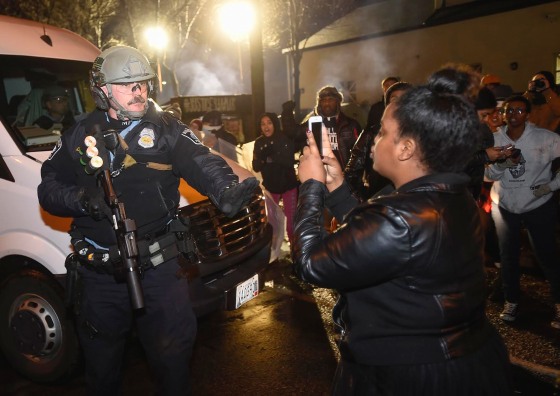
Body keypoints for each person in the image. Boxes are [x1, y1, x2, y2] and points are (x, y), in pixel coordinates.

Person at [37, 45, 259, 395]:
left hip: (158, 270)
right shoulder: (81, 133)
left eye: (142, 82)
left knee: (173, 362)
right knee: (102, 367)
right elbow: (48, 188)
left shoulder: (167, 128)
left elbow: (201, 160)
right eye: (128, 85)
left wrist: (225, 189)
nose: (139, 91)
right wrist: (83, 200)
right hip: (100, 275)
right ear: (104, 89)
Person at [292, 74, 512, 395]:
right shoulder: (449, 194)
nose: (373, 140)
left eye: (382, 132)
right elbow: (377, 238)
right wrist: (337, 189)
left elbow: (310, 263)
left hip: (408, 374)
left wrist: (310, 186)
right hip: (462, 361)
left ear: (406, 148)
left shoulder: (402, 216)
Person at [485, 95, 560, 329]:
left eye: (519, 110)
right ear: (504, 113)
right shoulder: (494, 139)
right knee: (507, 257)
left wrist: (551, 185)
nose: (514, 114)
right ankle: (511, 301)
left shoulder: (545, 138)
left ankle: (559, 303)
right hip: (505, 205)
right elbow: (485, 175)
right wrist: (503, 164)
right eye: (509, 110)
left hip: (539, 204)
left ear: (527, 114)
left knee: (547, 255)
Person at [345, 82, 411, 200]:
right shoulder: (371, 133)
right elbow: (352, 172)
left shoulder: (421, 135)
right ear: (386, 105)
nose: (398, 105)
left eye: (404, 100)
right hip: (378, 201)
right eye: (394, 100)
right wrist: (363, 198)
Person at [252, 113, 298, 245]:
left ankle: (296, 253)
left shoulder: (284, 138)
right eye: (263, 123)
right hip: (271, 186)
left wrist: (271, 157)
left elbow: (289, 162)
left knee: (290, 223)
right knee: (272, 223)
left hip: (288, 185)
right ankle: (274, 255)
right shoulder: (259, 142)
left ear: (275, 124)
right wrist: (263, 158)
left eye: (269, 123)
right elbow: (256, 166)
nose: (266, 126)